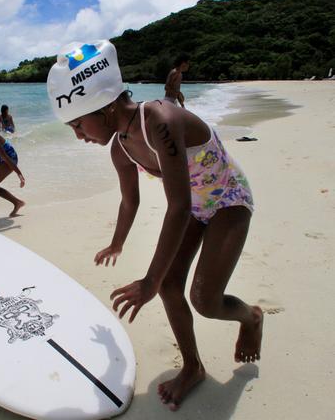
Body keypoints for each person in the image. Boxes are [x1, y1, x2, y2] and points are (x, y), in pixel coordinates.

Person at [47, 40, 262, 410]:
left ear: (106, 106)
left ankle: (251, 317)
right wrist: (117, 244)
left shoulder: (160, 121)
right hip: (196, 206)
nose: (78, 135)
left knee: (205, 301)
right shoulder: (121, 147)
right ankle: (193, 367)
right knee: (171, 287)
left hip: (228, 200)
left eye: (78, 124)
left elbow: (176, 207)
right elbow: (131, 201)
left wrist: (149, 280)